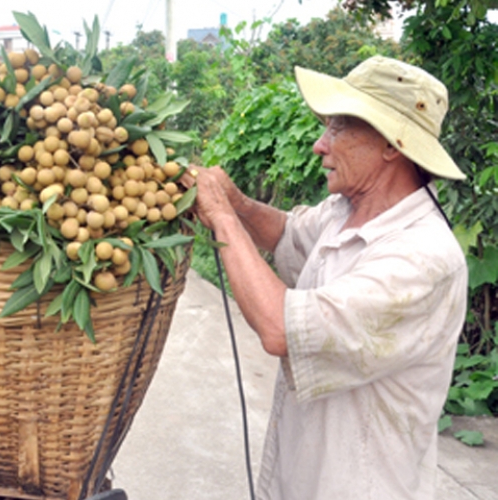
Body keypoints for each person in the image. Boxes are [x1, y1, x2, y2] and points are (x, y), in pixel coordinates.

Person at [183, 55, 468, 499]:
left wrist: (221, 217)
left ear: (392, 145)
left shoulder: (422, 259)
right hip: (304, 477)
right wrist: (237, 203)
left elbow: (280, 329)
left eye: (337, 129)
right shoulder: (348, 210)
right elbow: (287, 234)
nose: (320, 144)